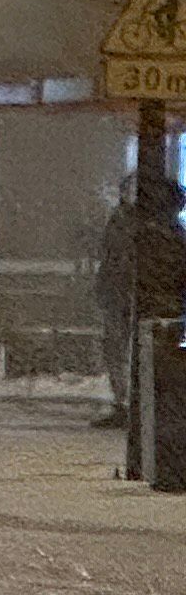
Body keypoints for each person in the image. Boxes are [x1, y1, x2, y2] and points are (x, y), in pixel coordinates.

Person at [97, 168, 186, 429]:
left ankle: (134, 403)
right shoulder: (159, 230)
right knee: (128, 349)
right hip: (136, 300)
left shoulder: (134, 227)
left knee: (130, 349)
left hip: (139, 300)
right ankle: (134, 403)